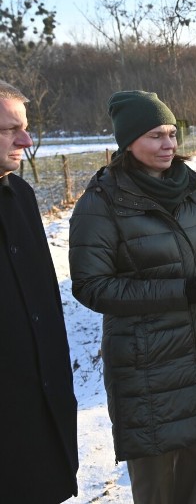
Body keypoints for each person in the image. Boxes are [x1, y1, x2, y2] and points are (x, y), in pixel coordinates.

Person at [68, 90, 196, 504]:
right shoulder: (102, 203)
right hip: (148, 365)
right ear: (128, 143)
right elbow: (91, 286)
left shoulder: (192, 188)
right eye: (155, 136)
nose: (169, 144)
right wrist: (181, 291)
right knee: (157, 482)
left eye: (172, 133)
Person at [0, 80, 79, 503]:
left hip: (39, 415)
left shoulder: (22, 195)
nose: (26, 140)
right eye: (10, 129)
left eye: (25, 127)